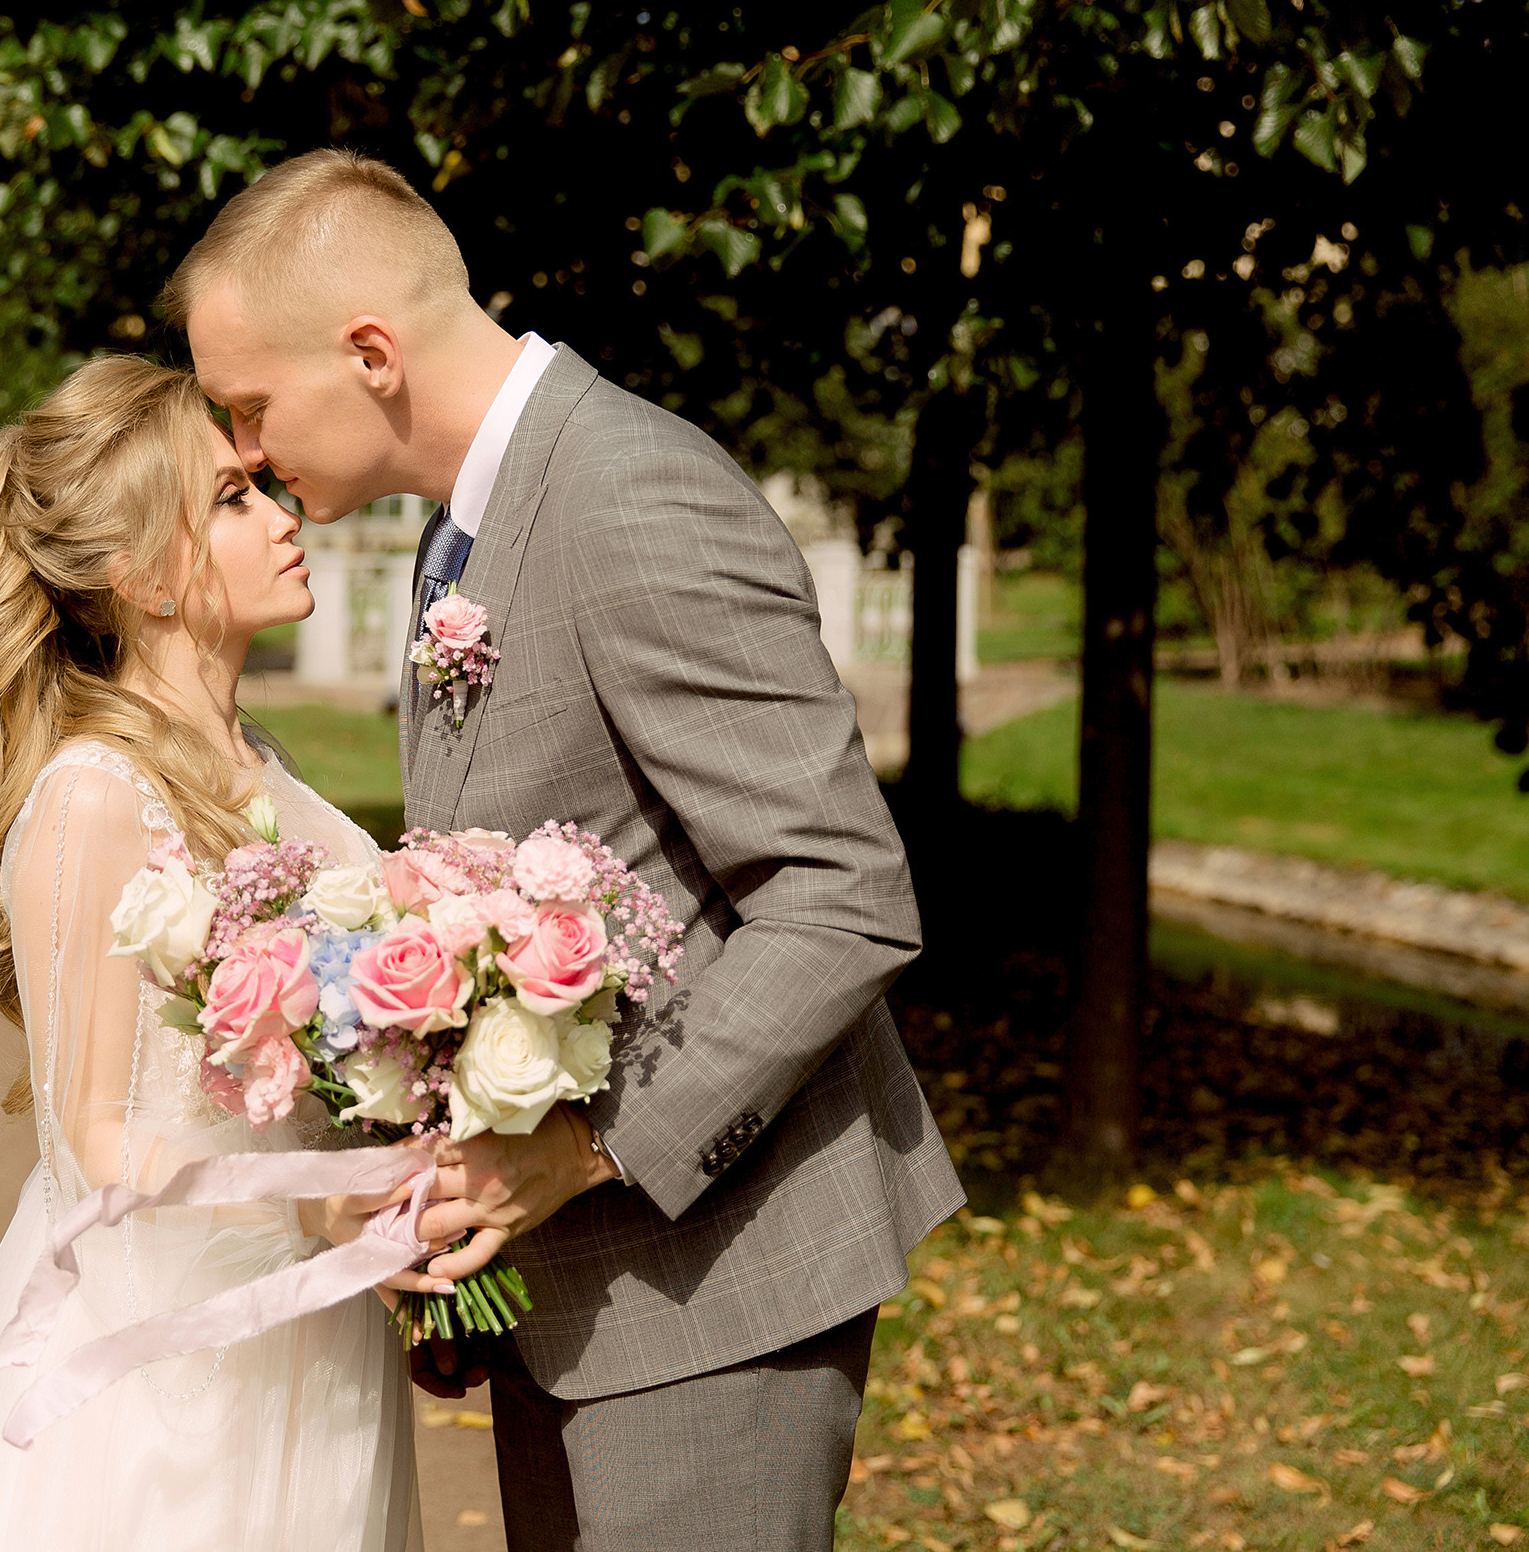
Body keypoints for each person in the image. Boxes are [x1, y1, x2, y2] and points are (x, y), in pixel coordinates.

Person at [166, 149, 967, 1551]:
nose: (240, 449)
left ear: (369, 352)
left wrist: (591, 1146)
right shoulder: (460, 532)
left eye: (248, 404)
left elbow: (845, 888)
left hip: (717, 1288)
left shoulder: (628, 495)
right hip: (579, 1299)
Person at [0, 355, 438, 1552]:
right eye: (232, 499)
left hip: (312, 1331)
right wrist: (316, 1209)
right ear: (140, 574)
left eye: (262, 488)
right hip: (167, 1363)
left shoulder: (261, 762)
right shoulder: (92, 795)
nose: (283, 515)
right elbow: (89, 1143)